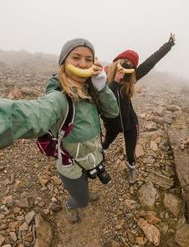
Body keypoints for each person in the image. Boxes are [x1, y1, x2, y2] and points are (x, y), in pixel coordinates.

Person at [0, 38, 119, 223]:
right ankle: (71, 204)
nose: (83, 63)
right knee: (82, 199)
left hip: (92, 156)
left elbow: (113, 112)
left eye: (89, 59)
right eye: (76, 57)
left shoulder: (92, 90)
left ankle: (82, 193)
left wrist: (102, 87)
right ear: (64, 62)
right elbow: (33, 114)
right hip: (70, 165)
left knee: (85, 184)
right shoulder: (58, 98)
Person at [102, 33, 176, 184]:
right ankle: (99, 159)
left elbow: (151, 61)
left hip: (130, 124)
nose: (127, 65)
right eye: (124, 62)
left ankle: (132, 169)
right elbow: (103, 99)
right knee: (104, 145)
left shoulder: (132, 79)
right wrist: (114, 81)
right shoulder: (103, 78)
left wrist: (168, 45)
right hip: (112, 125)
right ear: (117, 63)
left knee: (130, 153)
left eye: (131, 64)